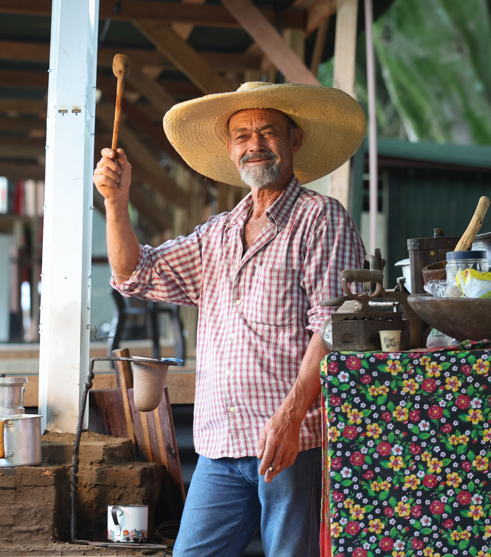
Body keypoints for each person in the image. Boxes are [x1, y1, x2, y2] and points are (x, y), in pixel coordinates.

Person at [93, 82, 367, 556]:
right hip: (220, 443)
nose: (254, 145)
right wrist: (116, 202)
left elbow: (336, 326)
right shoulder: (217, 234)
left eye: (267, 133)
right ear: (229, 149)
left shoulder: (321, 218)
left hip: (290, 441)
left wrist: (290, 416)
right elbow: (135, 273)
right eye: (242, 136)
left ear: (294, 141)